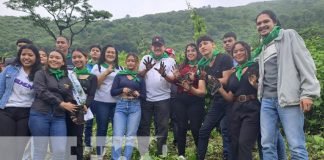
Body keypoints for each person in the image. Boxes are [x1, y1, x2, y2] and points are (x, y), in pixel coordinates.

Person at [253, 10, 320, 160]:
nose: (262, 25)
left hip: (289, 99)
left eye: (266, 22)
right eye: (259, 23)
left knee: (296, 146)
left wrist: (308, 93)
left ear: (274, 23)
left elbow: (306, 63)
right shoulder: (262, 47)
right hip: (267, 101)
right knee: (267, 144)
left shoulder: (288, 35)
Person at [29, 50, 77, 160]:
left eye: (57, 58)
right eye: (51, 57)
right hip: (40, 114)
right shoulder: (40, 73)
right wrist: (61, 103)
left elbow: (69, 98)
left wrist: (78, 108)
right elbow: (41, 91)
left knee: (60, 150)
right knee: (40, 149)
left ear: (63, 62)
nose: (54, 60)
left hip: (58, 117)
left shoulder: (66, 79)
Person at [218, 41, 260, 159]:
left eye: (241, 50)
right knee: (234, 143)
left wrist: (256, 85)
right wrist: (219, 88)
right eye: (235, 51)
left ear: (247, 51)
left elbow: (263, 88)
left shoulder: (255, 67)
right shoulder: (234, 73)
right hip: (236, 110)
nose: (238, 53)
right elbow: (230, 97)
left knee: (244, 143)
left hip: (252, 109)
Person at [0, 44, 42, 160]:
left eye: (30, 55)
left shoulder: (40, 73)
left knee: (19, 147)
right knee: (5, 144)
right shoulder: (10, 69)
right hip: (6, 110)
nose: (26, 57)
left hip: (27, 113)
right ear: (19, 56)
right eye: (24, 54)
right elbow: (0, 89)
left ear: (36, 57)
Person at [196, 35, 233, 160]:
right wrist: (188, 84)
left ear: (213, 44)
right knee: (203, 130)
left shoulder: (224, 58)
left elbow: (227, 80)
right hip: (217, 101)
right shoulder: (201, 66)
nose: (202, 47)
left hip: (230, 99)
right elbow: (202, 89)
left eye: (205, 43)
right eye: (200, 45)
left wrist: (208, 78)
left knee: (226, 132)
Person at [137, 36, 176, 156]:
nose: (157, 48)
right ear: (151, 47)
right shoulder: (146, 58)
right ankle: (144, 153)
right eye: (155, 45)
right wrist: (146, 69)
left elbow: (173, 80)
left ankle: (161, 153)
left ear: (164, 47)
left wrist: (164, 74)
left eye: (160, 45)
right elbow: (139, 76)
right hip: (147, 99)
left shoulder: (170, 61)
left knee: (162, 127)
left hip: (163, 98)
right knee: (144, 126)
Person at [171, 43, 205, 159]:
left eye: (193, 50)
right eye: (188, 51)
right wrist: (176, 77)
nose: (190, 53)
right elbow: (178, 83)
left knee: (196, 128)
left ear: (197, 52)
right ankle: (181, 154)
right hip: (181, 99)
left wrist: (194, 78)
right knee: (182, 126)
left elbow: (203, 83)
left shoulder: (201, 66)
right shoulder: (182, 66)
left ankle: (200, 154)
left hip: (195, 100)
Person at [111, 53, 146, 160]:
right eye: (129, 60)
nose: (131, 62)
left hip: (135, 107)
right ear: (126, 62)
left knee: (131, 135)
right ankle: (115, 158)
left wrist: (138, 94)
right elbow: (112, 92)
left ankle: (126, 158)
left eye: (133, 61)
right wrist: (122, 89)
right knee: (118, 134)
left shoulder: (139, 77)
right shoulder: (119, 75)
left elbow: (144, 96)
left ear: (136, 63)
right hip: (121, 106)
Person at [91, 44, 123, 158]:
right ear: (104, 54)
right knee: (102, 128)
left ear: (116, 55)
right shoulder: (97, 67)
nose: (110, 54)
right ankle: (100, 154)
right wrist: (106, 73)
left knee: (117, 130)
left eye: (113, 52)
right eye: (108, 52)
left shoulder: (120, 69)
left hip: (117, 104)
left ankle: (115, 155)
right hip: (101, 103)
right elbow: (95, 86)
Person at [67, 48, 98, 160]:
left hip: (80, 110)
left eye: (79, 57)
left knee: (78, 138)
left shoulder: (92, 77)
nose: (77, 59)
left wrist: (86, 105)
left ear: (86, 58)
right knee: (67, 137)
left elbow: (91, 95)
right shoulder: (69, 75)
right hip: (66, 109)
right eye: (74, 57)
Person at [84, 45, 101, 152]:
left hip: (100, 98)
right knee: (88, 123)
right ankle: (87, 145)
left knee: (100, 123)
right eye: (93, 50)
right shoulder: (85, 66)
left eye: (97, 51)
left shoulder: (103, 66)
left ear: (100, 53)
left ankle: (99, 146)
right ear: (90, 53)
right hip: (88, 98)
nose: (95, 52)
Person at [165, 47, 178, 147]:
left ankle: (177, 140)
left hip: (173, 95)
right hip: (163, 97)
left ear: (173, 56)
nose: (167, 56)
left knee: (175, 119)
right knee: (163, 120)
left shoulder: (176, 66)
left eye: (169, 54)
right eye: (166, 54)